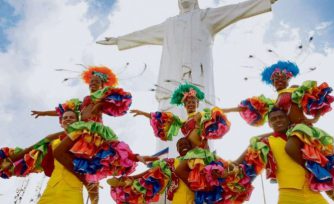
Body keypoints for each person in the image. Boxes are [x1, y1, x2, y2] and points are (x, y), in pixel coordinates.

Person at [97, 0, 278, 156]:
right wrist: (119, 40)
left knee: (203, 115)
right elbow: (143, 34)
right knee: (171, 114)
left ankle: (202, 161)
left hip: (199, 75)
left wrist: (262, 2)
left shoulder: (205, 16)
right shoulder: (169, 24)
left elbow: (235, 10)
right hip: (171, 78)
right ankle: (168, 161)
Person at [233, 107, 334, 204]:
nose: (278, 120)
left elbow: (328, 161)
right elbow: (245, 166)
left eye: (281, 117)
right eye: (273, 119)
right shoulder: (264, 143)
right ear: (269, 124)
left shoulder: (303, 138)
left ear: (287, 119)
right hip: (288, 195)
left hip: (312, 192)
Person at [31, 66, 132, 123]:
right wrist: (44, 113)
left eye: (96, 81)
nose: (93, 83)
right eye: (91, 81)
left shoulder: (105, 97)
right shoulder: (85, 100)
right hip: (80, 126)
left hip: (93, 129)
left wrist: (101, 103)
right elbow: (64, 111)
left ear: (102, 86)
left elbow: (122, 101)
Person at [107, 137, 195, 204]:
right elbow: (151, 172)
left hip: (200, 194)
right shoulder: (172, 162)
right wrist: (131, 177)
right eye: (180, 145)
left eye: (186, 143)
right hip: (180, 198)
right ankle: (129, 192)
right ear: (177, 150)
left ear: (191, 146)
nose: (183, 145)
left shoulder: (198, 157)